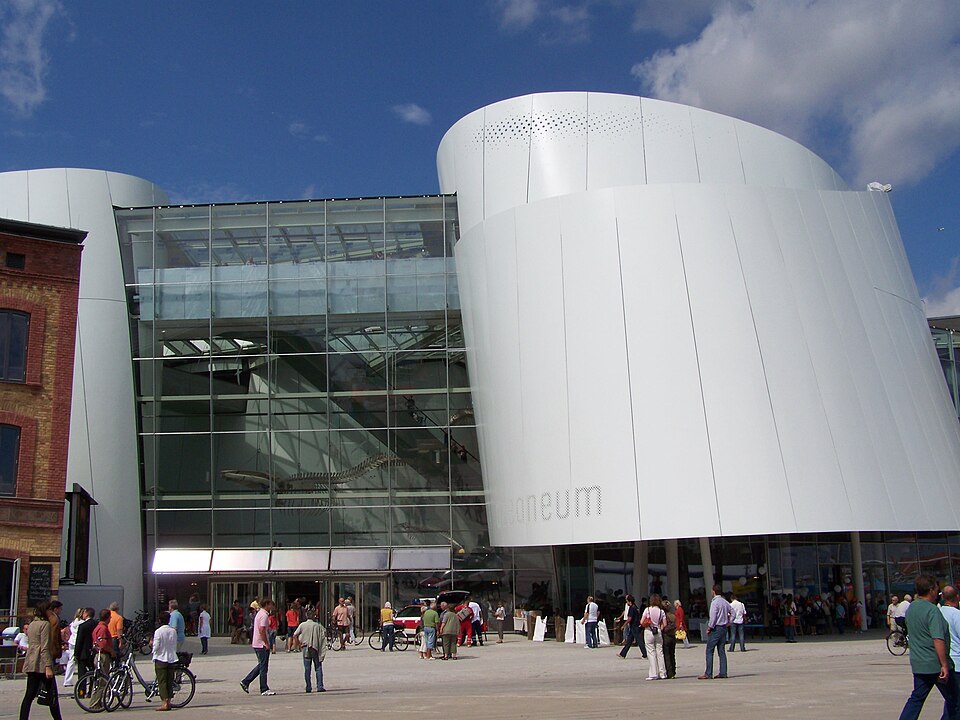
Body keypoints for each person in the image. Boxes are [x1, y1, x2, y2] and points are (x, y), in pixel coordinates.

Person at [897, 575, 958, 720]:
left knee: (917, 699)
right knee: (955, 700)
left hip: (919, 663)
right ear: (931, 590)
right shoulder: (932, 610)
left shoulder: (912, 608)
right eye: (936, 588)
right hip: (934, 664)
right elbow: (938, 638)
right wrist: (944, 664)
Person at [18, 601, 63, 720]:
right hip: (42, 663)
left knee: (29, 695)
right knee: (52, 694)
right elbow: (44, 647)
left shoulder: (32, 623)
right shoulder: (44, 624)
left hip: (31, 660)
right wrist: (48, 666)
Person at [240, 598, 276, 696]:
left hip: (257, 643)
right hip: (261, 644)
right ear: (267, 604)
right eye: (271, 605)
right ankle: (263, 688)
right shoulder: (264, 615)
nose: (272, 607)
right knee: (264, 667)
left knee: (261, 665)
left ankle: (246, 682)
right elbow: (262, 630)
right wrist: (266, 643)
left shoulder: (259, 614)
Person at [699, 585, 732, 680]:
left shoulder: (714, 603)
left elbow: (713, 617)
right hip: (723, 628)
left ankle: (708, 673)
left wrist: (709, 627)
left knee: (709, 650)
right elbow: (733, 612)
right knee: (721, 651)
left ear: (713, 592)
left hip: (716, 628)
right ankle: (723, 672)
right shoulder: (725, 602)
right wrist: (729, 622)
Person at [293, 608, 327, 693]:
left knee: (307, 669)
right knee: (318, 667)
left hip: (305, 647)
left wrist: (298, 644)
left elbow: (295, 635)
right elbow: (324, 633)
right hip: (315, 647)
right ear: (314, 616)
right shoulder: (317, 625)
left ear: (306, 616)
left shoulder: (302, 625)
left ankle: (308, 687)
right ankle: (320, 686)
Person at [152, 611, 178, 712]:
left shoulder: (158, 631)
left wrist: (152, 648)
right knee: (169, 680)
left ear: (159, 620)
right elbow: (174, 644)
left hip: (161, 658)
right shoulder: (173, 631)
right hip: (171, 657)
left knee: (162, 681)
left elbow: (156, 646)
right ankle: (169, 701)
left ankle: (164, 702)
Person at [91, 609, 116, 708]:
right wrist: (112, 651)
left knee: (101, 679)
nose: (110, 619)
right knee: (102, 680)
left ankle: (98, 701)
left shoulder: (98, 627)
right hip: (103, 655)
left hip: (100, 654)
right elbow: (103, 644)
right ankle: (95, 703)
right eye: (109, 617)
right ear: (107, 617)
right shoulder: (103, 628)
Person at [641, 594, 667, 680]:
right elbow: (664, 624)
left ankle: (653, 674)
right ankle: (663, 673)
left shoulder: (647, 610)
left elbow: (642, 622)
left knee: (651, 652)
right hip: (658, 631)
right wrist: (660, 628)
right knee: (660, 652)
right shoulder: (661, 611)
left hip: (649, 631)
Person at [63, 608, 85, 687]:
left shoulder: (73, 622)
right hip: (78, 643)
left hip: (71, 642)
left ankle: (67, 680)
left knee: (71, 661)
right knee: (81, 662)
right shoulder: (82, 622)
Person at [73, 608, 97, 676]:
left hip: (83, 652)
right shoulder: (97, 624)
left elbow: (79, 640)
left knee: (82, 673)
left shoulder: (83, 626)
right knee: (93, 671)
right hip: (93, 651)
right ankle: (92, 685)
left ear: (86, 614)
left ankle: (81, 686)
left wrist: (76, 653)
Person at [617, 595, 640, 659]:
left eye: (627, 600)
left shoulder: (632, 608)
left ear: (629, 601)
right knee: (629, 641)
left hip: (634, 626)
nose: (626, 602)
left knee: (639, 640)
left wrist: (623, 625)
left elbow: (629, 618)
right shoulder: (635, 607)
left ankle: (645, 654)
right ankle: (623, 654)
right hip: (634, 626)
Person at [662, 598, 678, 679]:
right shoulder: (673, 616)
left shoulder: (664, 616)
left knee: (667, 655)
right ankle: (674, 671)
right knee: (672, 654)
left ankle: (669, 672)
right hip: (673, 636)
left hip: (666, 636)